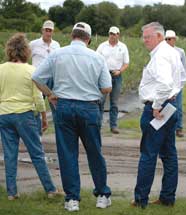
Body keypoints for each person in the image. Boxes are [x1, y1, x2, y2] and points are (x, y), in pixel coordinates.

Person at [32, 22, 112, 212]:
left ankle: (72, 199)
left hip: (64, 106)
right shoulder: (97, 57)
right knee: (94, 152)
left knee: (67, 154)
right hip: (89, 107)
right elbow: (107, 87)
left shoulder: (57, 54)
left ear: (72, 35)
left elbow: (36, 77)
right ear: (89, 39)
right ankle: (102, 195)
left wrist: (50, 94)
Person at [131, 22, 186, 209]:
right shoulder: (173, 53)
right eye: (144, 37)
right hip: (170, 106)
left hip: (158, 108)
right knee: (169, 153)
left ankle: (140, 200)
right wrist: (171, 97)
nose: (144, 40)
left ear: (159, 36)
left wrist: (156, 106)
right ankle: (167, 197)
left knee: (148, 153)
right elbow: (182, 79)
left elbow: (165, 83)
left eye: (148, 37)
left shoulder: (161, 56)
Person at [0, 33, 60, 200]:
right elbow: (38, 98)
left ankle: (12, 193)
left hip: (4, 115)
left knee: (9, 154)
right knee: (36, 153)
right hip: (25, 115)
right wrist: (44, 116)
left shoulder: (1, 69)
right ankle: (50, 189)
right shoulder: (31, 70)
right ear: (26, 51)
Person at [96, 26, 129, 134]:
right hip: (104, 75)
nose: (112, 36)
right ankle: (98, 124)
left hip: (116, 75)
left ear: (118, 35)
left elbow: (126, 63)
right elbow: (96, 60)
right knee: (101, 101)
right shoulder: (102, 46)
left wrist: (120, 71)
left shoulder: (123, 47)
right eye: (111, 33)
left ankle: (113, 126)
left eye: (114, 34)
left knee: (114, 103)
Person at [30, 20, 60, 133]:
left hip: (52, 78)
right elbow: (25, 56)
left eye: (50, 30)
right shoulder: (33, 44)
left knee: (55, 104)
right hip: (38, 79)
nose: (48, 32)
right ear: (42, 30)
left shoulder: (56, 45)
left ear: (53, 31)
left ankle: (59, 131)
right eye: (46, 30)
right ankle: (37, 132)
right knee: (37, 104)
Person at [165, 30, 186, 138]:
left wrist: (180, 84)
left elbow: (183, 68)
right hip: (165, 83)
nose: (168, 41)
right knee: (164, 105)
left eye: (170, 39)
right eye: (166, 39)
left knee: (178, 106)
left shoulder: (180, 52)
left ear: (174, 39)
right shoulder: (161, 51)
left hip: (176, 84)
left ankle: (179, 128)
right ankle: (167, 128)